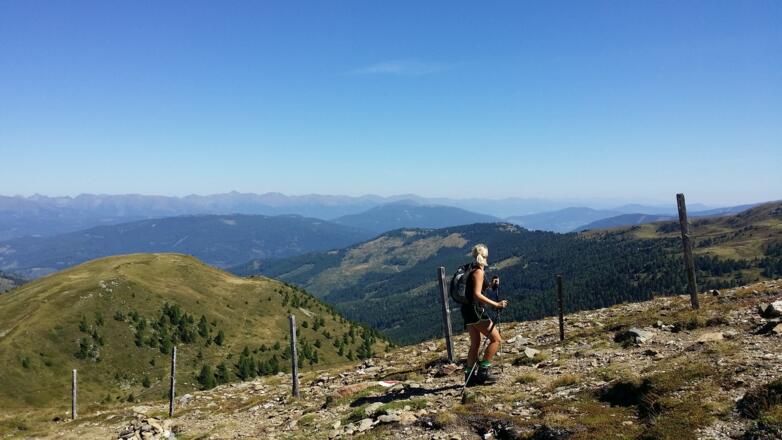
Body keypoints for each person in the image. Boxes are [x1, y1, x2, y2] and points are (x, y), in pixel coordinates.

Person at [461, 243, 508, 386]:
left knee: (475, 343)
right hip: (475, 311)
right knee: (496, 340)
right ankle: (483, 371)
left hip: (467, 310)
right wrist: (496, 304)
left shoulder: (471, 269)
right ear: (485, 256)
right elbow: (476, 294)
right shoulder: (479, 272)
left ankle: (469, 376)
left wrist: (491, 285)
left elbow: (477, 288)